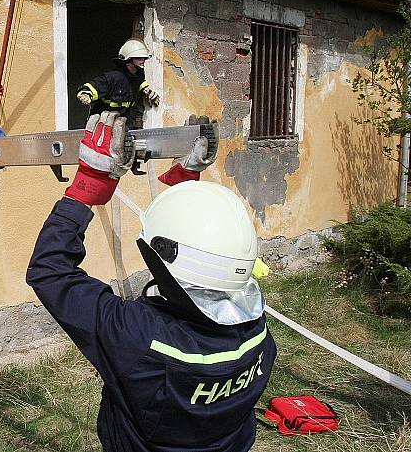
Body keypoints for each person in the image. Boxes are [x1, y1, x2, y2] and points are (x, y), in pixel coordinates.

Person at [27, 111, 276, 452]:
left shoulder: (138, 338)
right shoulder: (256, 331)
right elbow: (200, 256)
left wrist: (86, 186)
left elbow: (50, 271)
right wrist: (186, 181)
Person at [76, 38, 161, 123]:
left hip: (122, 121)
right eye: (139, 58)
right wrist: (86, 94)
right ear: (129, 59)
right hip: (102, 122)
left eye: (144, 58)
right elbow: (94, 86)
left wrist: (148, 92)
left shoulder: (138, 75)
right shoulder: (114, 77)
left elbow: (138, 84)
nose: (143, 60)